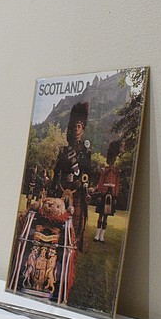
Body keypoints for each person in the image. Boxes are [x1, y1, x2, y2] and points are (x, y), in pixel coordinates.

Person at [52, 101, 92, 251]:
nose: (76, 129)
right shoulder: (64, 150)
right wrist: (54, 184)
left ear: (83, 129)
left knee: (75, 217)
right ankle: (59, 239)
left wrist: (85, 185)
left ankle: (73, 243)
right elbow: (57, 171)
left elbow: (88, 172)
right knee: (60, 213)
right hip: (63, 186)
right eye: (74, 126)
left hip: (77, 188)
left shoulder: (86, 151)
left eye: (79, 126)